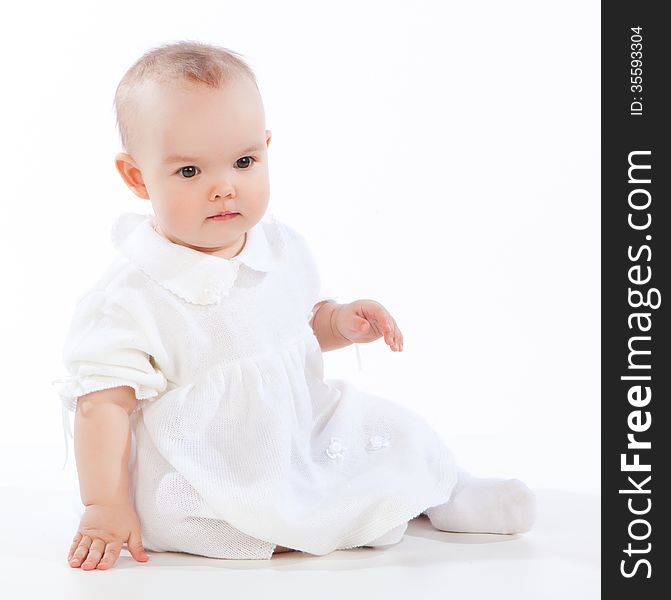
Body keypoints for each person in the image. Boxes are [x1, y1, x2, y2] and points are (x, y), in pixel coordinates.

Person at [54, 41, 536, 571]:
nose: (223, 188)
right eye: (189, 172)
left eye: (243, 162)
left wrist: (340, 321)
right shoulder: (131, 297)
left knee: (390, 427)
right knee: (196, 515)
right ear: (137, 177)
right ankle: (348, 513)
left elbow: (296, 324)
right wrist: (105, 504)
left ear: (265, 147)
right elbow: (104, 404)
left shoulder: (278, 247)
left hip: (298, 426)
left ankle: (445, 491)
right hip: (208, 464)